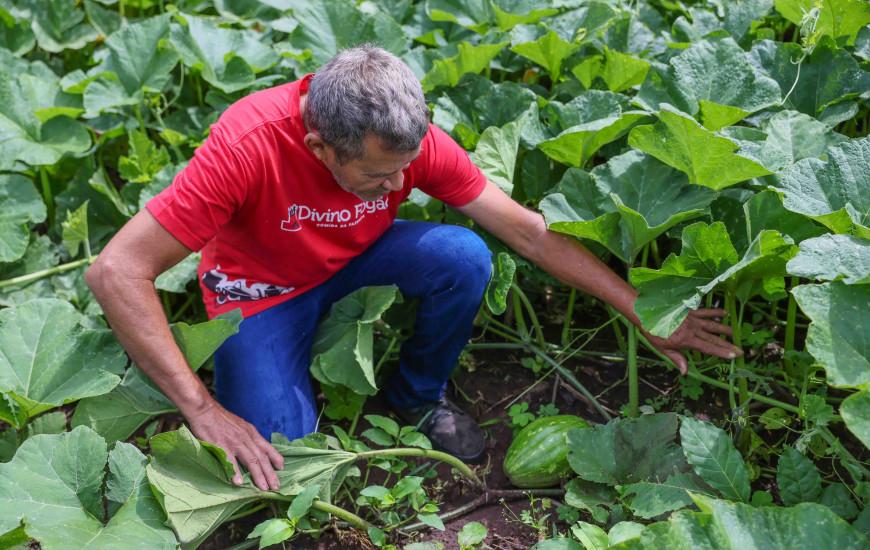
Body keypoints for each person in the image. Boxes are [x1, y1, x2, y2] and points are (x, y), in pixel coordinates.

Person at [86, 45, 741, 493]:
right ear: (319, 145)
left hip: (356, 255)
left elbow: (530, 235)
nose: (402, 181)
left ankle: (414, 399)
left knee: (466, 256)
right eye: (377, 174)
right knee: (279, 463)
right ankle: (278, 382)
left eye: (407, 164)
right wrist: (200, 409)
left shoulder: (408, 141)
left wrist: (642, 310)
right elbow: (116, 271)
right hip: (261, 290)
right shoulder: (247, 144)